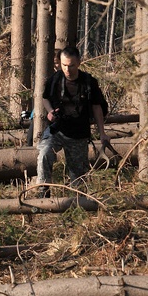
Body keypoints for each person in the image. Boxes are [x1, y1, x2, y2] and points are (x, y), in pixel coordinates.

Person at [36, 46, 110, 197]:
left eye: (71, 65)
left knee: (78, 178)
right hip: (57, 130)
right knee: (44, 153)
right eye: (64, 65)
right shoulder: (55, 79)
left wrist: (102, 133)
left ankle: (77, 207)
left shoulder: (89, 83)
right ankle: (43, 191)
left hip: (79, 134)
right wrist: (50, 111)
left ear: (79, 63)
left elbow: (97, 108)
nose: (67, 69)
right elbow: (45, 98)